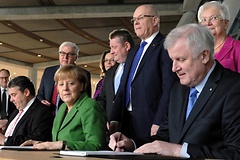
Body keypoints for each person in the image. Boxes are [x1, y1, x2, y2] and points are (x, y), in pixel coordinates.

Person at [109, 23, 240, 159]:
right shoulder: (178, 89)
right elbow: (164, 137)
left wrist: (180, 151)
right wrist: (132, 143)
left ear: (204, 56)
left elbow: (236, 153)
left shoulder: (234, 88)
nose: (174, 68)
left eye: (180, 59)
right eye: (172, 60)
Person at [109, 4, 177, 139]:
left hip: (150, 121)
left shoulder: (165, 47)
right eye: (134, 20)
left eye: (140, 18)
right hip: (126, 121)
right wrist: (114, 118)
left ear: (155, 20)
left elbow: (169, 88)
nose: (136, 23)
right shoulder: (133, 52)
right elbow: (123, 86)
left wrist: (159, 121)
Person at [21, 64, 107, 151]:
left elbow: (96, 145)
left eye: (71, 83)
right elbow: (56, 142)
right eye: (61, 84)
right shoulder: (62, 108)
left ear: (81, 86)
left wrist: (61, 145)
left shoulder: (90, 106)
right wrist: (40, 144)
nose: (65, 88)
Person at [37, 41, 92, 116]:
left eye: (69, 54)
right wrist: (42, 100)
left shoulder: (83, 73)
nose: (65, 57)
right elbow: (40, 94)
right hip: (47, 116)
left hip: (69, 116)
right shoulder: (48, 71)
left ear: (76, 57)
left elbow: (85, 98)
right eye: (62, 53)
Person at [0, 76, 53, 146]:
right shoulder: (15, 112)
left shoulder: (42, 111)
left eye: (14, 95)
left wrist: (6, 140)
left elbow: (36, 139)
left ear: (26, 92)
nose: (11, 100)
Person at [97, 29, 135, 123]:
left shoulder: (138, 68)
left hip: (136, 124)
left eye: (114, 47)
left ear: (126, 46)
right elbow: (103, 98)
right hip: (112, 126)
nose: (112, 52)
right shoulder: (110, 73)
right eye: (111, 48)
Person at [198, 1, 240, 72]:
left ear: (226, 23)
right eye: (204, 20)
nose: (208, 23)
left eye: (213, 18)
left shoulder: (237, 47)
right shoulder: (197, 50)